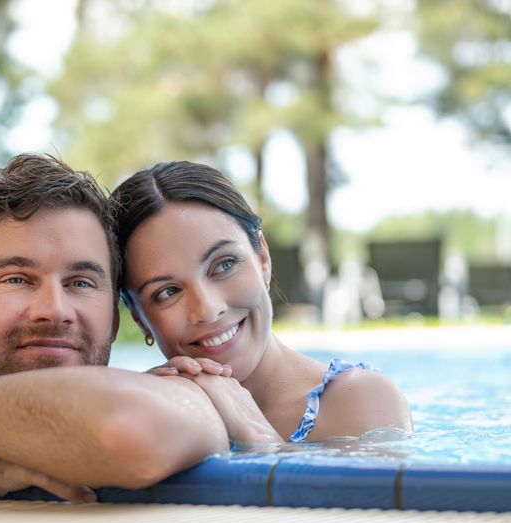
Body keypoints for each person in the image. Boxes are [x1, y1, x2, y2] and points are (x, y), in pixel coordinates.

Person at [0, 154, 231, 503]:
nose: (55, 310)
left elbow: (126, 430)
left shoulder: (176, 394)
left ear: (114, 319)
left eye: (80, 282)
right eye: (16, 279)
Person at [111, 161, 413, 444]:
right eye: (168, 292)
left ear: (262, 258)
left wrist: (257, 438)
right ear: (139, 318)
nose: (208, 310)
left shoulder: (361, 401)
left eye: (224, 265)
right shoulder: (145, 421)